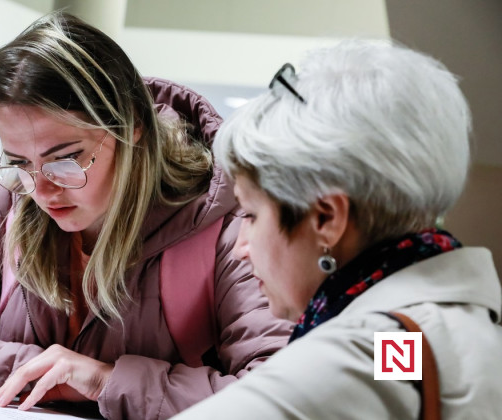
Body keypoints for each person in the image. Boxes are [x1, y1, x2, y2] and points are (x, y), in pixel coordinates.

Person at [0, 12, 291, 420]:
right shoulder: (15, 196)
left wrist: (105, 381)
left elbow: (282, 397)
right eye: (19, 162)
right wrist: (39, 367)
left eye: (66, 159)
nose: (42, 191)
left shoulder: (224, 219)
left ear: (133, 126)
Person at [174, 41, 502, 419]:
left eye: (250, 214)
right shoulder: (434, 333)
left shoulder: (363, 355)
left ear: (326, 219)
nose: (240, 247)